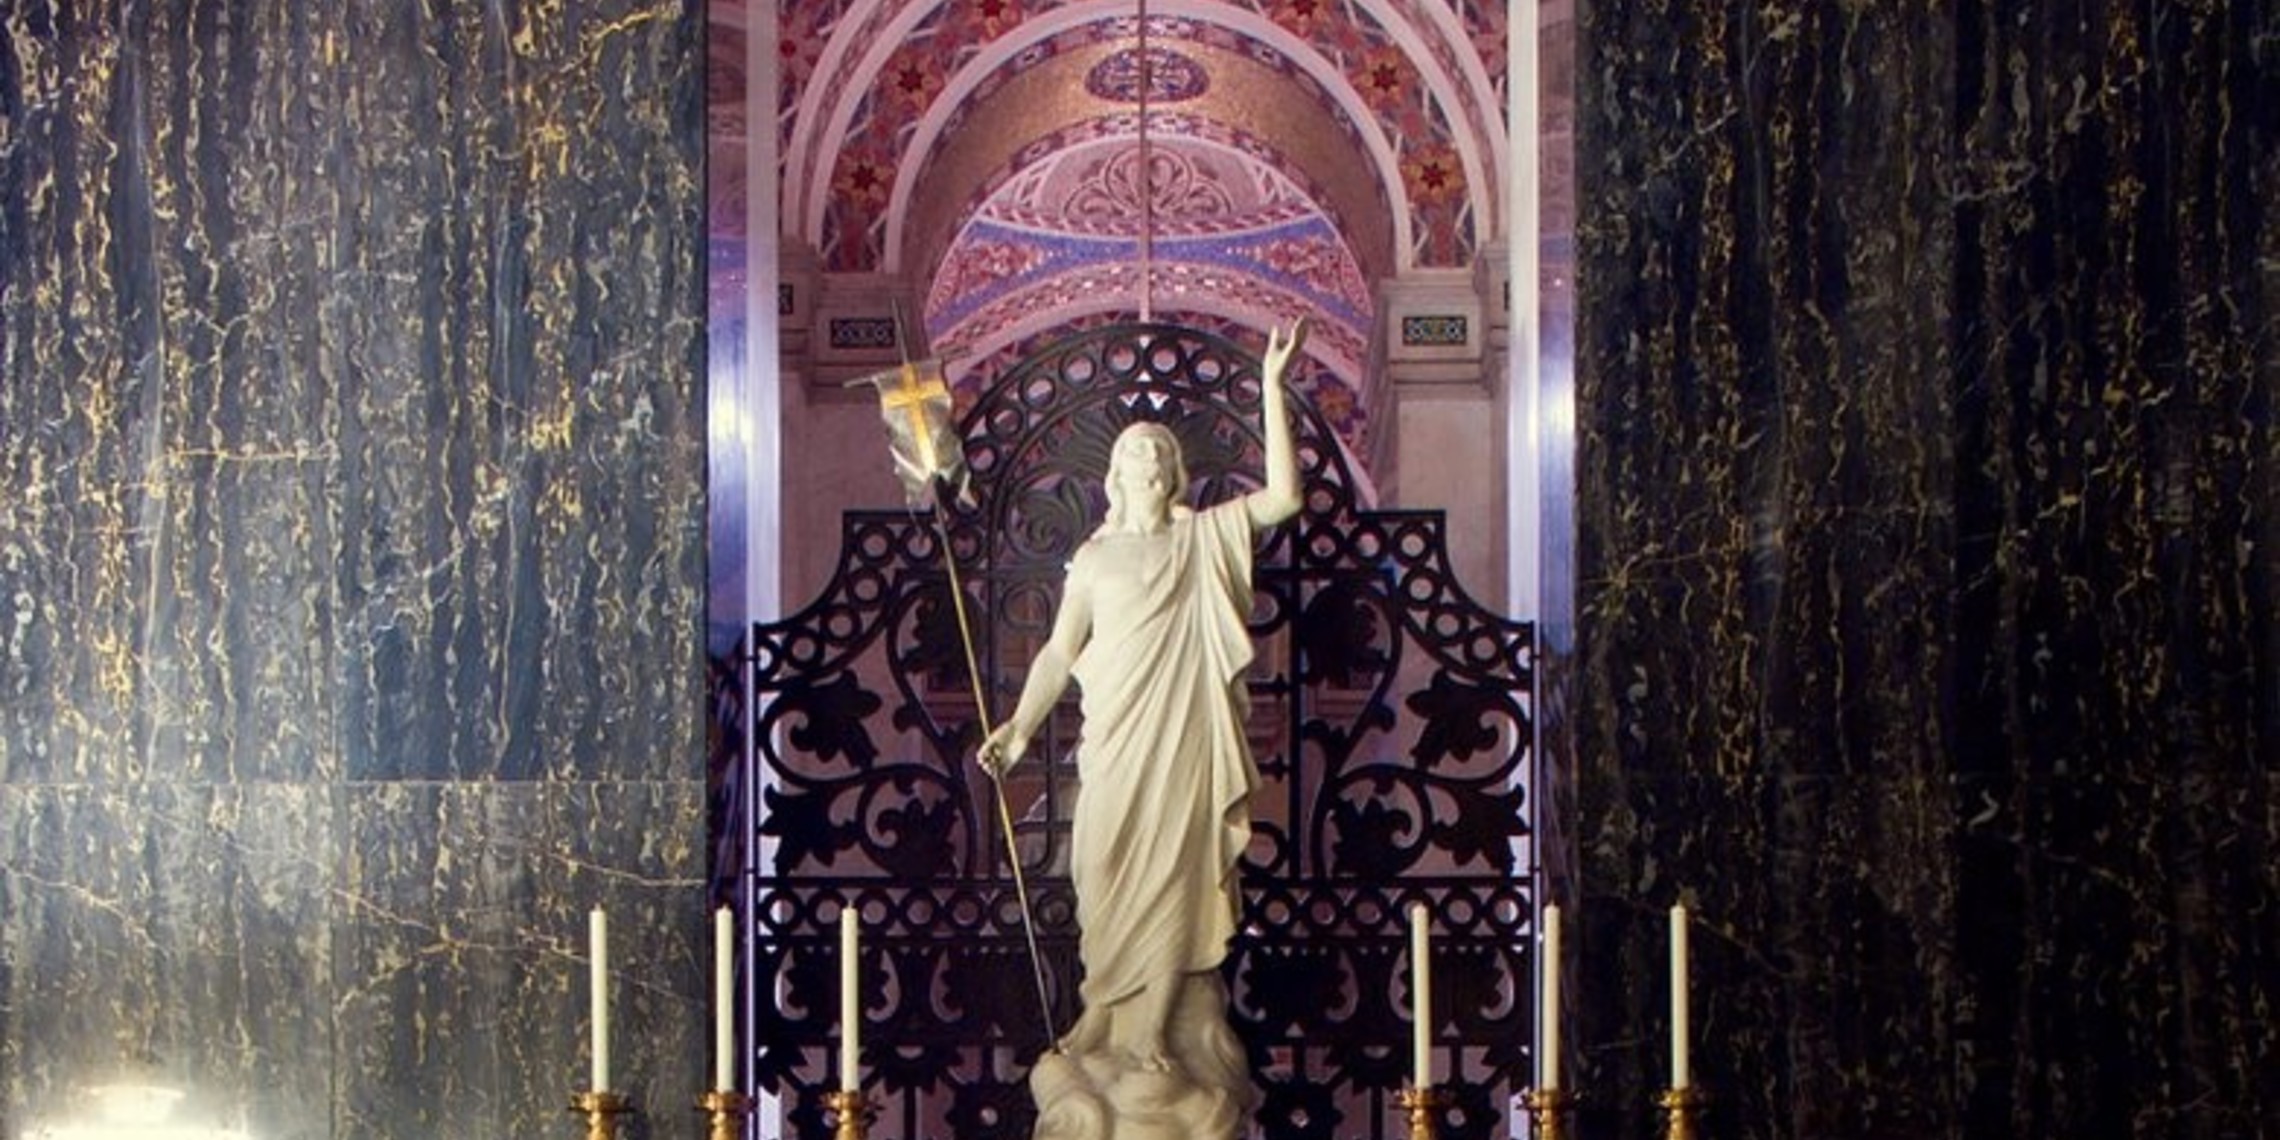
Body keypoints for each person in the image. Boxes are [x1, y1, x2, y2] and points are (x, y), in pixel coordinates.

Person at [979, 323, 1305, 1137]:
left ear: (1176, 475)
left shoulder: (1203, 538)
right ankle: (1103, 1016)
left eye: (1160, 461)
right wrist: (1019, 730)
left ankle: (1154, 1032)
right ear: (1115, 479)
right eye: (1135, 462)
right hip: (1116, 742)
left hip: (1185, 740)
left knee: (1176, 877)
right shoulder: (1093, 561)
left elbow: (1284, 500)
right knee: (1103, 870)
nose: (1149, 470)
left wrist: (1270, 389)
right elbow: (1060, 650)